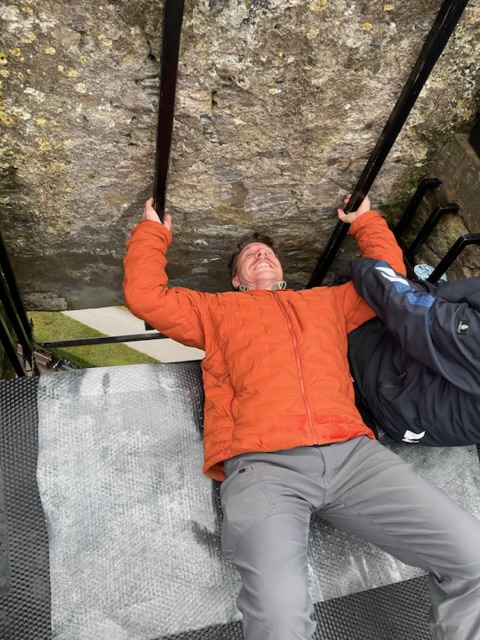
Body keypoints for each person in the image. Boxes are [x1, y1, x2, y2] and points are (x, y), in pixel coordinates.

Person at [123, 195, 480, 640]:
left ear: (282, 271)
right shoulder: (213, 311)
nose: (261, 255)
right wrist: (153, 233)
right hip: (265, 467)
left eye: (267, 252)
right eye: (249, 255)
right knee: (280, 617)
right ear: (235, 280)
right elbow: (146, 296)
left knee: (473, 559)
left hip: (355, 458)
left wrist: (365, 221)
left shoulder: (327, 302)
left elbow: (387, 273)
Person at [341, 257, 480, 445]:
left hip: (395, 397)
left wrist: (359, 266)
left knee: (336, 313)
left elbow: (409, 310)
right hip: (433, 416)